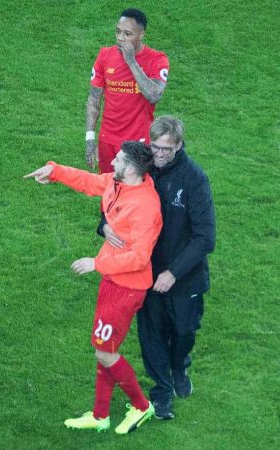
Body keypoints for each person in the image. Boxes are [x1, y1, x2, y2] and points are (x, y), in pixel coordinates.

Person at [24, 141, 162, 435]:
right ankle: (100, 415)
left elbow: (139, 257)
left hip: (126, 287)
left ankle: (140, 406)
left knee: (105, 352)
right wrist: (54, 170)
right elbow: (90, 181)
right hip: (114, 281)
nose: (112, 163)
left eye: (119, 160)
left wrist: (96, 264)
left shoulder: (146, 206)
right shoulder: (118, 182)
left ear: (134, 169)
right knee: (104, 348)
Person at [102, 116, 216, 419]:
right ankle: (162, 394)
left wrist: (173, 272)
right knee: (151, 336)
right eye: (156, 147)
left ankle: (179, 365)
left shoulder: (195, 179)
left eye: (167, 149)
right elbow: (114, 192)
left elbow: (206, 237)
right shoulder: (143, 166)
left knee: (183, 331)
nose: (160, 154)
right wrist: (104, 226)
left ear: (179, 145)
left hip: (184, 276)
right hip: (143, 272)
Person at [85, 8, 169, 173]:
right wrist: (89, 139)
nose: (120, 38)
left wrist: (130, 60)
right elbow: (94, 99)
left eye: (127, 34)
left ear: (141, 35)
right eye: (118, 32)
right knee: (109, 191)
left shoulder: (157, 60)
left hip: (138, 141)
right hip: (107, 140)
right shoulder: (104, 56)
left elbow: (153, 95)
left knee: (135, 191)